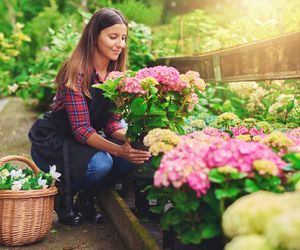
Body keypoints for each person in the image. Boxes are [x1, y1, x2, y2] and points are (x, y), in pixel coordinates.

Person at [28, 8, 150, 226]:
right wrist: (118, 149)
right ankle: (62, 196)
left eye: (123, 38)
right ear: (94, 37)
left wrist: (133, 139)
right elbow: (81, 128)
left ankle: (87, 199)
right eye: (113, 37)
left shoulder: (115, 74)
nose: (120, 44)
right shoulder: (76, 72)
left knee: (131, 158)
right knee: (103, 162)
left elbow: (111, 123)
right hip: (54, 142)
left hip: (83, 140)